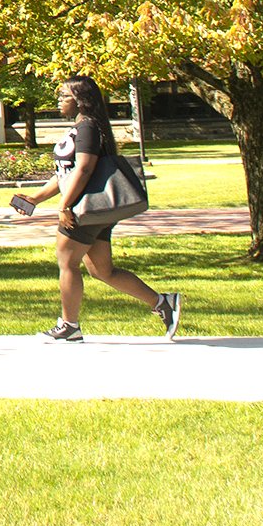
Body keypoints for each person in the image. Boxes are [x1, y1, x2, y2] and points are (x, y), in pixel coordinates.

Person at [12, 77, 181, 342]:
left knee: (67, 262)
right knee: (102, 271)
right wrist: (35, 198)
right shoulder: (83, 127)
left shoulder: (88, 127)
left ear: (80, 100)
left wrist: (65, 205)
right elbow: (65, 173)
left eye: (64, 96)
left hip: (84, 208)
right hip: (91, 209)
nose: (59, 100)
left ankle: (69, 325)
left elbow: (85, 168)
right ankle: (163, 303)